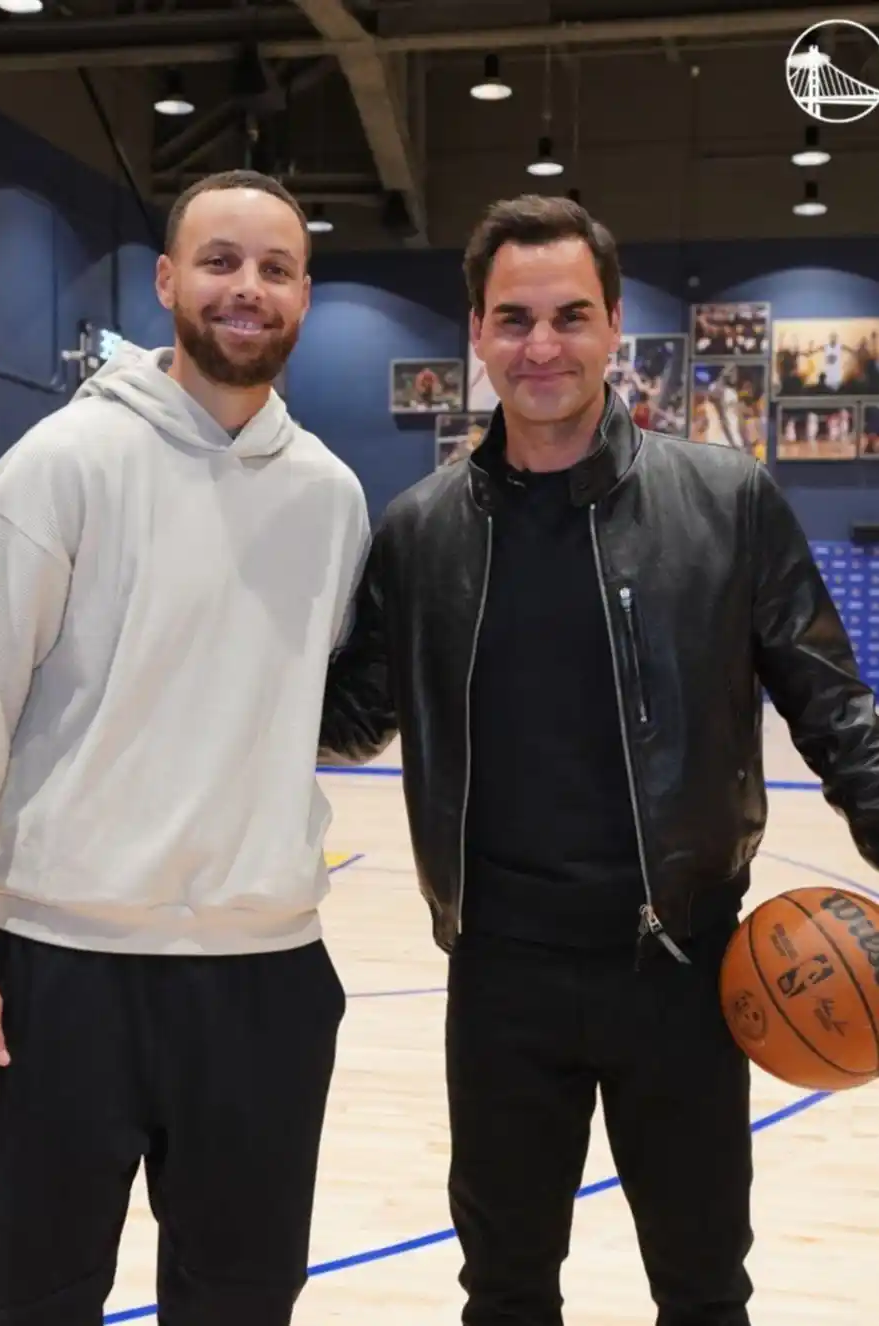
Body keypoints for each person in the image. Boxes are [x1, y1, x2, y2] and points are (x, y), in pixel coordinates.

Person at [318, 193, 879, 1326]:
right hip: (499, 976)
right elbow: (354, 719)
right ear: (475, 333)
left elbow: (834, 710)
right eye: (514, 319)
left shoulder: (725, 500)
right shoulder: (419, 532)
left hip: (682, 967)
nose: (542, 346)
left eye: (569, 316)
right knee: (504, 1290)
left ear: (614, 324)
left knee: (704, 1290)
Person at [0, 168, 370, 1326]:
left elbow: (313, 701)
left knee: (240, 1301)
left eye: (274, 268)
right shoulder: (59, 465)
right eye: (219, 261)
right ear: (166, 281)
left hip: (265, 975)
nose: (246, 287)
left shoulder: (331, 498)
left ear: (304, 297)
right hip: (64, 971)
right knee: (18, 1300)